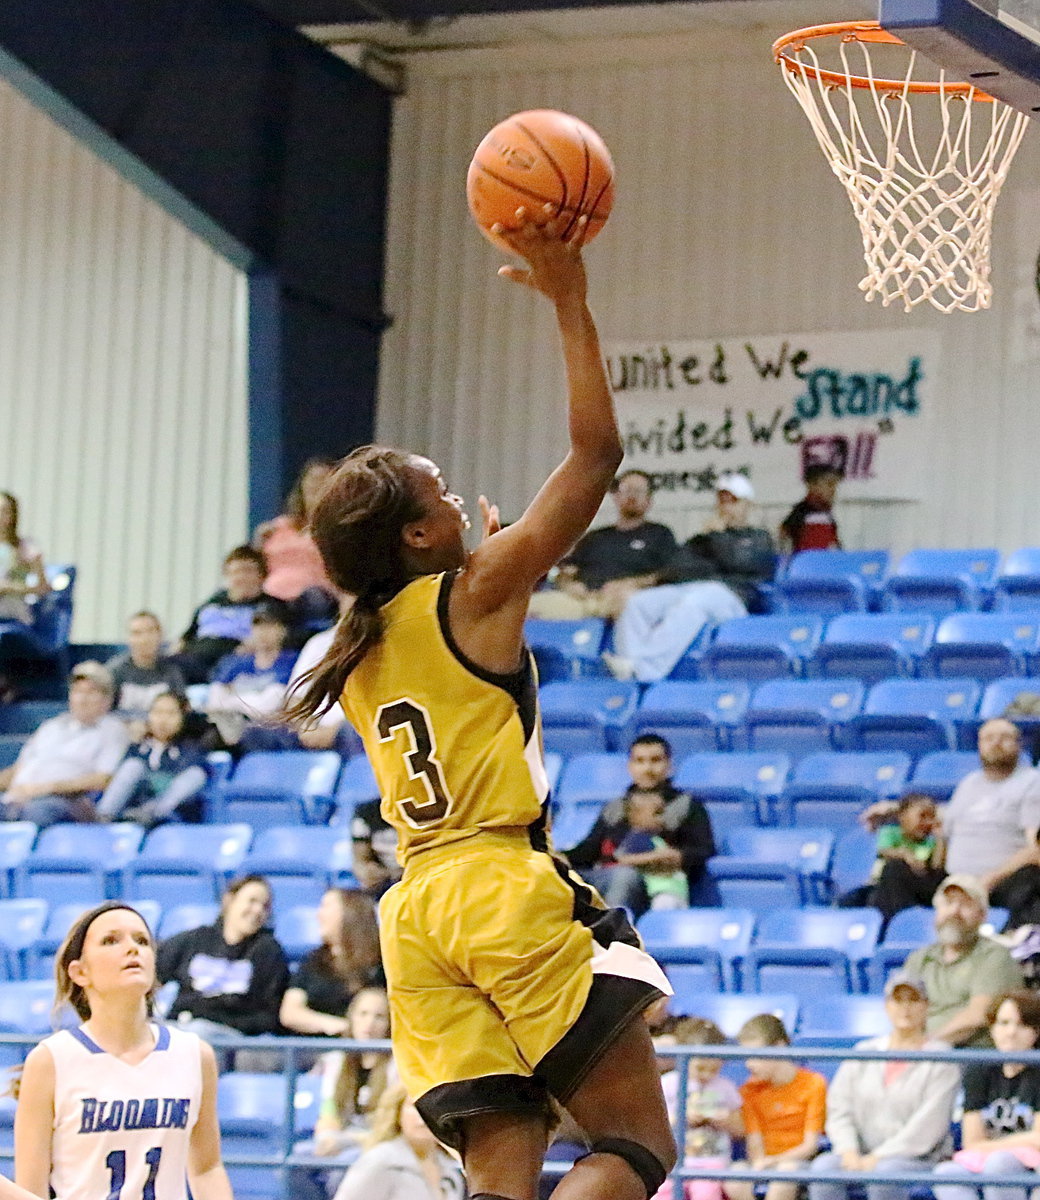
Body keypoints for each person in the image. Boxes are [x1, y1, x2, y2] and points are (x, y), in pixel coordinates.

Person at [285, 213, 677, 1200]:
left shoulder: (356, 641)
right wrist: (568, 299)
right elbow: (595, 458)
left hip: (415, 915)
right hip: (498, 888)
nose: (462, 501)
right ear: (420, 534)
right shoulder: (472, 591)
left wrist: (480, 559)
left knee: (502, 1172)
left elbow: (426, 618)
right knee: (632, 1145)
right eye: (443, 492)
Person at [13, 901, 232, 1200]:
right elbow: (30, 1189)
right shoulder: (51, 1059)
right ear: (80, 972)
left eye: (141, 940)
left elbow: (207, 1169)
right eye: (111, 940)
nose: (132, 948)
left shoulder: (195, 1054)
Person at [862, 719, 1040, 922]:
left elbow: (1035, 849)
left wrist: (990, 879)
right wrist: (895, 811)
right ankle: (900, 938)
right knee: (895, 870)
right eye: (988, 738)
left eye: (1005, 738)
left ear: (1019, 744)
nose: (996, 743)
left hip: (1002, 883)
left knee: (1030, 879)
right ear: (979, 745)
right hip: (953, 881)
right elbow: (940, 818)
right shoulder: (969, 783)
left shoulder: (1032, 783)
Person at [605, 475, 774, 681]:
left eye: (734, 501)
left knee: (693, 603)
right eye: (722, 501)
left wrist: (718, 536)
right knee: (638, 603)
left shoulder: (758, 537)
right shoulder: (703, 538)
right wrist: (706, 538)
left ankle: (645, 670)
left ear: (748, 505)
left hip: (733, 597)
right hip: (694, 588)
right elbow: (677, 568)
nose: (727, 507)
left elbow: (742, 564)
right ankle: (628, 667)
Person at [808, 972, 960, 1200]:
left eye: (913, 1000)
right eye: (898, 1000)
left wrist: (878, 1157)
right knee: (823, 1168)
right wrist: (848, 1150)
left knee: (885, 1172)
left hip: (918, 1159)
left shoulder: (941, 1058)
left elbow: (928, 1127)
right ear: (887, 1006)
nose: (905, 1008)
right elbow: (839, 1109)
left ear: (926, 1006)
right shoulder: (864, 1052)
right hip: (859, 1153)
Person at [566, 734, 716, 918]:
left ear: (669, 765)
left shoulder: (687, 806)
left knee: (624, 876)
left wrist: (675, 857)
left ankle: (614, 937)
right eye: (640, 761)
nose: (647, 769)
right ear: (630, 767)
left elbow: (703, 850)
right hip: (608, 878)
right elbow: (588, 851)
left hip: (655, 884)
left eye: (655, 760)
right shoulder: (615, 808)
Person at [157, 874, 290, 1050]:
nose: (258, 910)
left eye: (265, 906)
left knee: (197, 1035)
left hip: (229, 1037)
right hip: (182, 1025)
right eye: (252, 901)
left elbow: (268, 1016)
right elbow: (152, 974)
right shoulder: (195, 939)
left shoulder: (269, 952)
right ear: (229, 900)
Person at [528, 468, 677, 621]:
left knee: (630, 604)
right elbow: (565, 570)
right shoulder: (595, 537)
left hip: (624, 599)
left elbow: (669, 573)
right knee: (526, 607)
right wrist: (568, 585)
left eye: (639, 491)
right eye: (626, 490)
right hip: (581, 599)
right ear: (616, 497)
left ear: (649, 500)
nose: (632, 496)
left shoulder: (660, 534)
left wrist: (632, 584)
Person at [933, 990, 1040, 1200]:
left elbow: (1038, 1139)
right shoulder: (978, 1070)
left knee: (999, 1164)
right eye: (1004, 1023)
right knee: (946, 1174)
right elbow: (971, 1141)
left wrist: (990, 1148)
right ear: (992, 1028)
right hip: (989, 1158)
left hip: (1027, 1163)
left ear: (1036, 1031)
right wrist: (1009, 1145)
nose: (1011, 1033)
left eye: (1022, 1025)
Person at [0, 661, 129, 827]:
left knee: (38, 811)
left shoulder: (112, 730)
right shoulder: (51, 726)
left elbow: (102, 779)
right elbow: (19, 768)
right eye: (77, 691)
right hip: (17, 796)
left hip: (66, 801)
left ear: (107, 699)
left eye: (91, 692)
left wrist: (45, 788)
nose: (82, 698)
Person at [903, 875, 1024, 1046]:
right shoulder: (919, 958)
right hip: (922, 1053)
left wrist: (926, 1046)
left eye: (965, 904)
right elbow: (902, 1010)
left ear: (982, 916)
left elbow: (978, 1016)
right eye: (948, 903)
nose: (954, 912)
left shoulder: (995, 956)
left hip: (970, 1057)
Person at [724, 1014, 827, 1200]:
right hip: (762, 1162)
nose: (749, 1064)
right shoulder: (748, 1090)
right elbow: (754, 1141)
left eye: (755, 1056)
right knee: (735, 1177)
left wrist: (775, 1162)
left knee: (784, 1174)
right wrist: (761, 1162)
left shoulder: (814, 1083)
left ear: (779, 1047)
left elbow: (810, 1145)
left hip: (798, 1163)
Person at [173, 545, 294, 684]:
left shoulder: (272, 606)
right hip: (196, 660)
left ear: (261, 575)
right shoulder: (211, 604)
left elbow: (288, 636)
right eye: (236, 571)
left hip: (238, 665)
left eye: (248, 571)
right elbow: (187, 636)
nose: (241, 577)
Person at [653, 1017, 743, 1200]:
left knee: (706, 1193)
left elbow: (740, 1128)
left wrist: (722, 1120)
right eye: (700, 1068)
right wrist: (681, 1118)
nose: (706, 1075)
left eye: (714, 1069)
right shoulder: (668, 1083)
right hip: (673, 1162)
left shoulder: (726, 1088)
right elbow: (654, 1125)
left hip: (712, 1163)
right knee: (661, 1193)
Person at [332, 1083, 466, 1200]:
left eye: (430, 1109)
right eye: (414, 1108)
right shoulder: (379, 1161)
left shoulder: (451, 1168)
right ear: (397, 1113)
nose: (422, 1119)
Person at [280, 888, 385, 1037]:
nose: (318, 915)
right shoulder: (315, 960)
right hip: (315, 1048)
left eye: (326, 906)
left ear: (349, 912)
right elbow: (290, 1012)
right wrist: (335, 1025)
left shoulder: (379, 965)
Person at [96, 691, 208, 827]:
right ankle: (102, 819)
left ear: (183, 717)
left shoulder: (192, 750)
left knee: (196, 774)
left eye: (171, 713)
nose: (163, 720)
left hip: (170, 816)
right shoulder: (136, 749)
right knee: (133, 766)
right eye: (158, 712)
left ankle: (151, 815)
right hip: (127, 812)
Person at [255, 457, 340, 625]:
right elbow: (259, 563)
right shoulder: (278, 526)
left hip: (316, 595)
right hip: (273, 595)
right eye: (313, 479)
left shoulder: (337, 528)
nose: (317, 484)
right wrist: (258, 541)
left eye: (324, 479)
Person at [312, 987, 393, 1157]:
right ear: (351, 1018)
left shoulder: (398, 1066)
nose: (369, 1023)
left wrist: (347, 1140)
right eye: (363, 1014)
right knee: (301, 1157)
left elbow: (390, 1127)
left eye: (379, 1017)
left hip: (379, 1143)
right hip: (340, 1139)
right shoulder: (335, 1061)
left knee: (346, 1161)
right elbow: (328, 1113)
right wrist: (326, 1139)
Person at [203, 605, 298, 745]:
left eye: (269, 626)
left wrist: (234, 701)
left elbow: (270, 704)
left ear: (283, 630)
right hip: (229, 726)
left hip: (265, 730)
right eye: (258, 626)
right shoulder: (236, 662)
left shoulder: (290, 662)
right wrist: (245, 705)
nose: (263, 633)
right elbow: (215, 701)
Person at [843, 793, 945, 921]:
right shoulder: (890, 832)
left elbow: (936, 867)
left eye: (931, 817)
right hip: (880, 887)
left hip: (913, 891)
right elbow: (884, 850)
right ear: (902, 816)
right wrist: (904, 854)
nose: (927, 822)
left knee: (894, 869)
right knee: (852, 900)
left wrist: (941, 838)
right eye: (922, 816)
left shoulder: (930, 842)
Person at [107, 612, 187, 734]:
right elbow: (103, 712)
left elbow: (181, 712)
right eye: (137, 633)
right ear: (129, 639)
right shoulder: (114, 671)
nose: (144, 639)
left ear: (160, 636)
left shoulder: (172, 672)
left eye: (150, 632)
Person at [0, 490, 49, 624]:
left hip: (12, 610)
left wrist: (9, 587)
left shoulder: (25, 548)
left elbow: (42, 587)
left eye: (4, 511)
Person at [778, 465, 842, 555]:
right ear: (812, 485)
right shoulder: (802, 511)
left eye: (835, 486)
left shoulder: (827, 515)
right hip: (806, 565)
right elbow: (783, 532)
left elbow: (834, 542)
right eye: (829, 484)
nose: (833, 490)